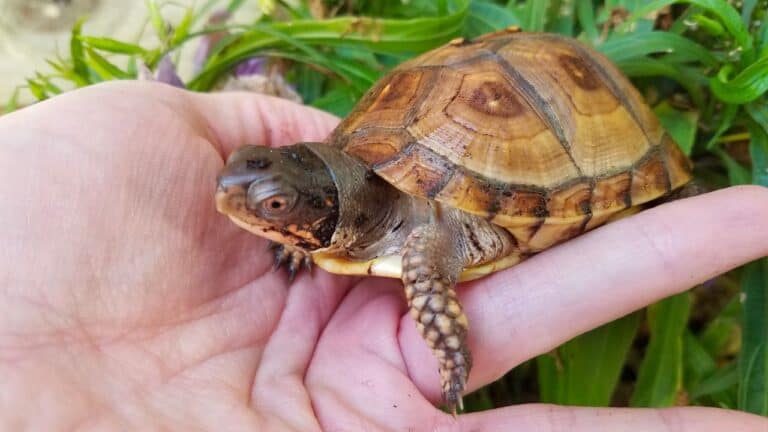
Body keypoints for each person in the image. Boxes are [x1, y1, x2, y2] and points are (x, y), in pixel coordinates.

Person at [0, 81, 766, 431]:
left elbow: (425, 262)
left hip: (562, 138)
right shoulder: (346, 206)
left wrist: (442, 332)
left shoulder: (424, 240)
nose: (235, 199)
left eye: (272, 210)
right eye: (264, 192)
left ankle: (673, 187)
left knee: (666, 216)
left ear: (329, 216)